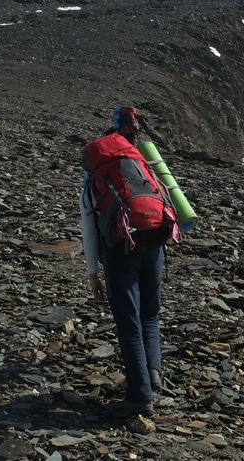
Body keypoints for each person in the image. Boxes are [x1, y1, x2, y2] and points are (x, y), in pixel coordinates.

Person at [79, 109, 164, 417]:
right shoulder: (141, 166)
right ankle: (153, 372)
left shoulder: (94, 178)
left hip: (120, 252)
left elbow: (90, 231)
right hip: (154, 243)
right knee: (149, 315)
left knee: (128, 324)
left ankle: (140, 396)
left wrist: (92, 274)